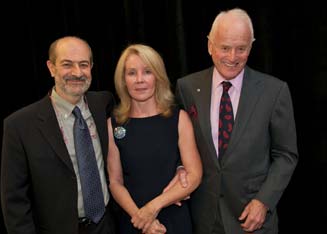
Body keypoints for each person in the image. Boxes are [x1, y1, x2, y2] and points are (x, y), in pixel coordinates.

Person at [175, 8, 299, 234]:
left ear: (250, 48)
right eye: (224, 48)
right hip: (204, 218)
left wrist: (264, 201)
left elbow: (286, 155)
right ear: (210, 46)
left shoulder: (274, 91)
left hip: (252, 219)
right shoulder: (187, 88)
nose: (232, 57)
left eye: (241, 49)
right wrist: (181, 167)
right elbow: (179, 142)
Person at [0, 36, 116, 234]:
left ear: (91, 67)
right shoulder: (19, 125)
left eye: (83, 64)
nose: (77, 73)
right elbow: (14, 202)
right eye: (67, 64)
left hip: (106, 225)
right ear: (51, 67)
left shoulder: (103, 103)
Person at [107, 44, 203, 234]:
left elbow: (194, 175)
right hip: (133, 221)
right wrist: (142, 219)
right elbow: (115, 182)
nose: (140, 80)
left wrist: (152, 208)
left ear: (158, 77)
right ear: (123, 80)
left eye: (147, 72)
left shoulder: (179, 118)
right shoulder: (113, 124)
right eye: (132, 73)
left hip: (174, 221)